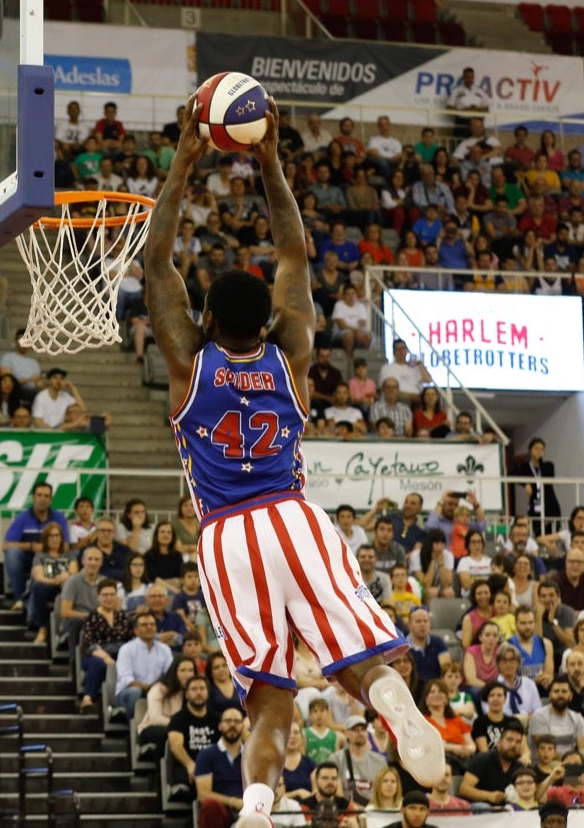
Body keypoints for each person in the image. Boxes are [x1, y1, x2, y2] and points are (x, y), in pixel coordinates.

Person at [146, 96, 444, 826]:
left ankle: (255, 804)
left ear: (208, 321)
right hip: (293, 516)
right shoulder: (295, 355)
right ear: (270, 319)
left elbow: (156, 265)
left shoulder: (189, 366)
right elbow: (294, 254)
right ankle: (387, 700)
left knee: (266, 692)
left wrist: (184, 162)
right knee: (356, 660)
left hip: (225, 535)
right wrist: (271, 159)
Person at [0, 483, 68, 610]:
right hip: (28, 560)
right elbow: (6, 545)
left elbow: (67, 546)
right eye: (39, 495)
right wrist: (31, 546)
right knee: (12, 553)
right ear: (33, 498)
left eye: (46, 496)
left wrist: (47, 548)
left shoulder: (59, 517)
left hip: (51, 559)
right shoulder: (22, 518)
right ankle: (20, 598)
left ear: (50, 500)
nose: (42, 499)